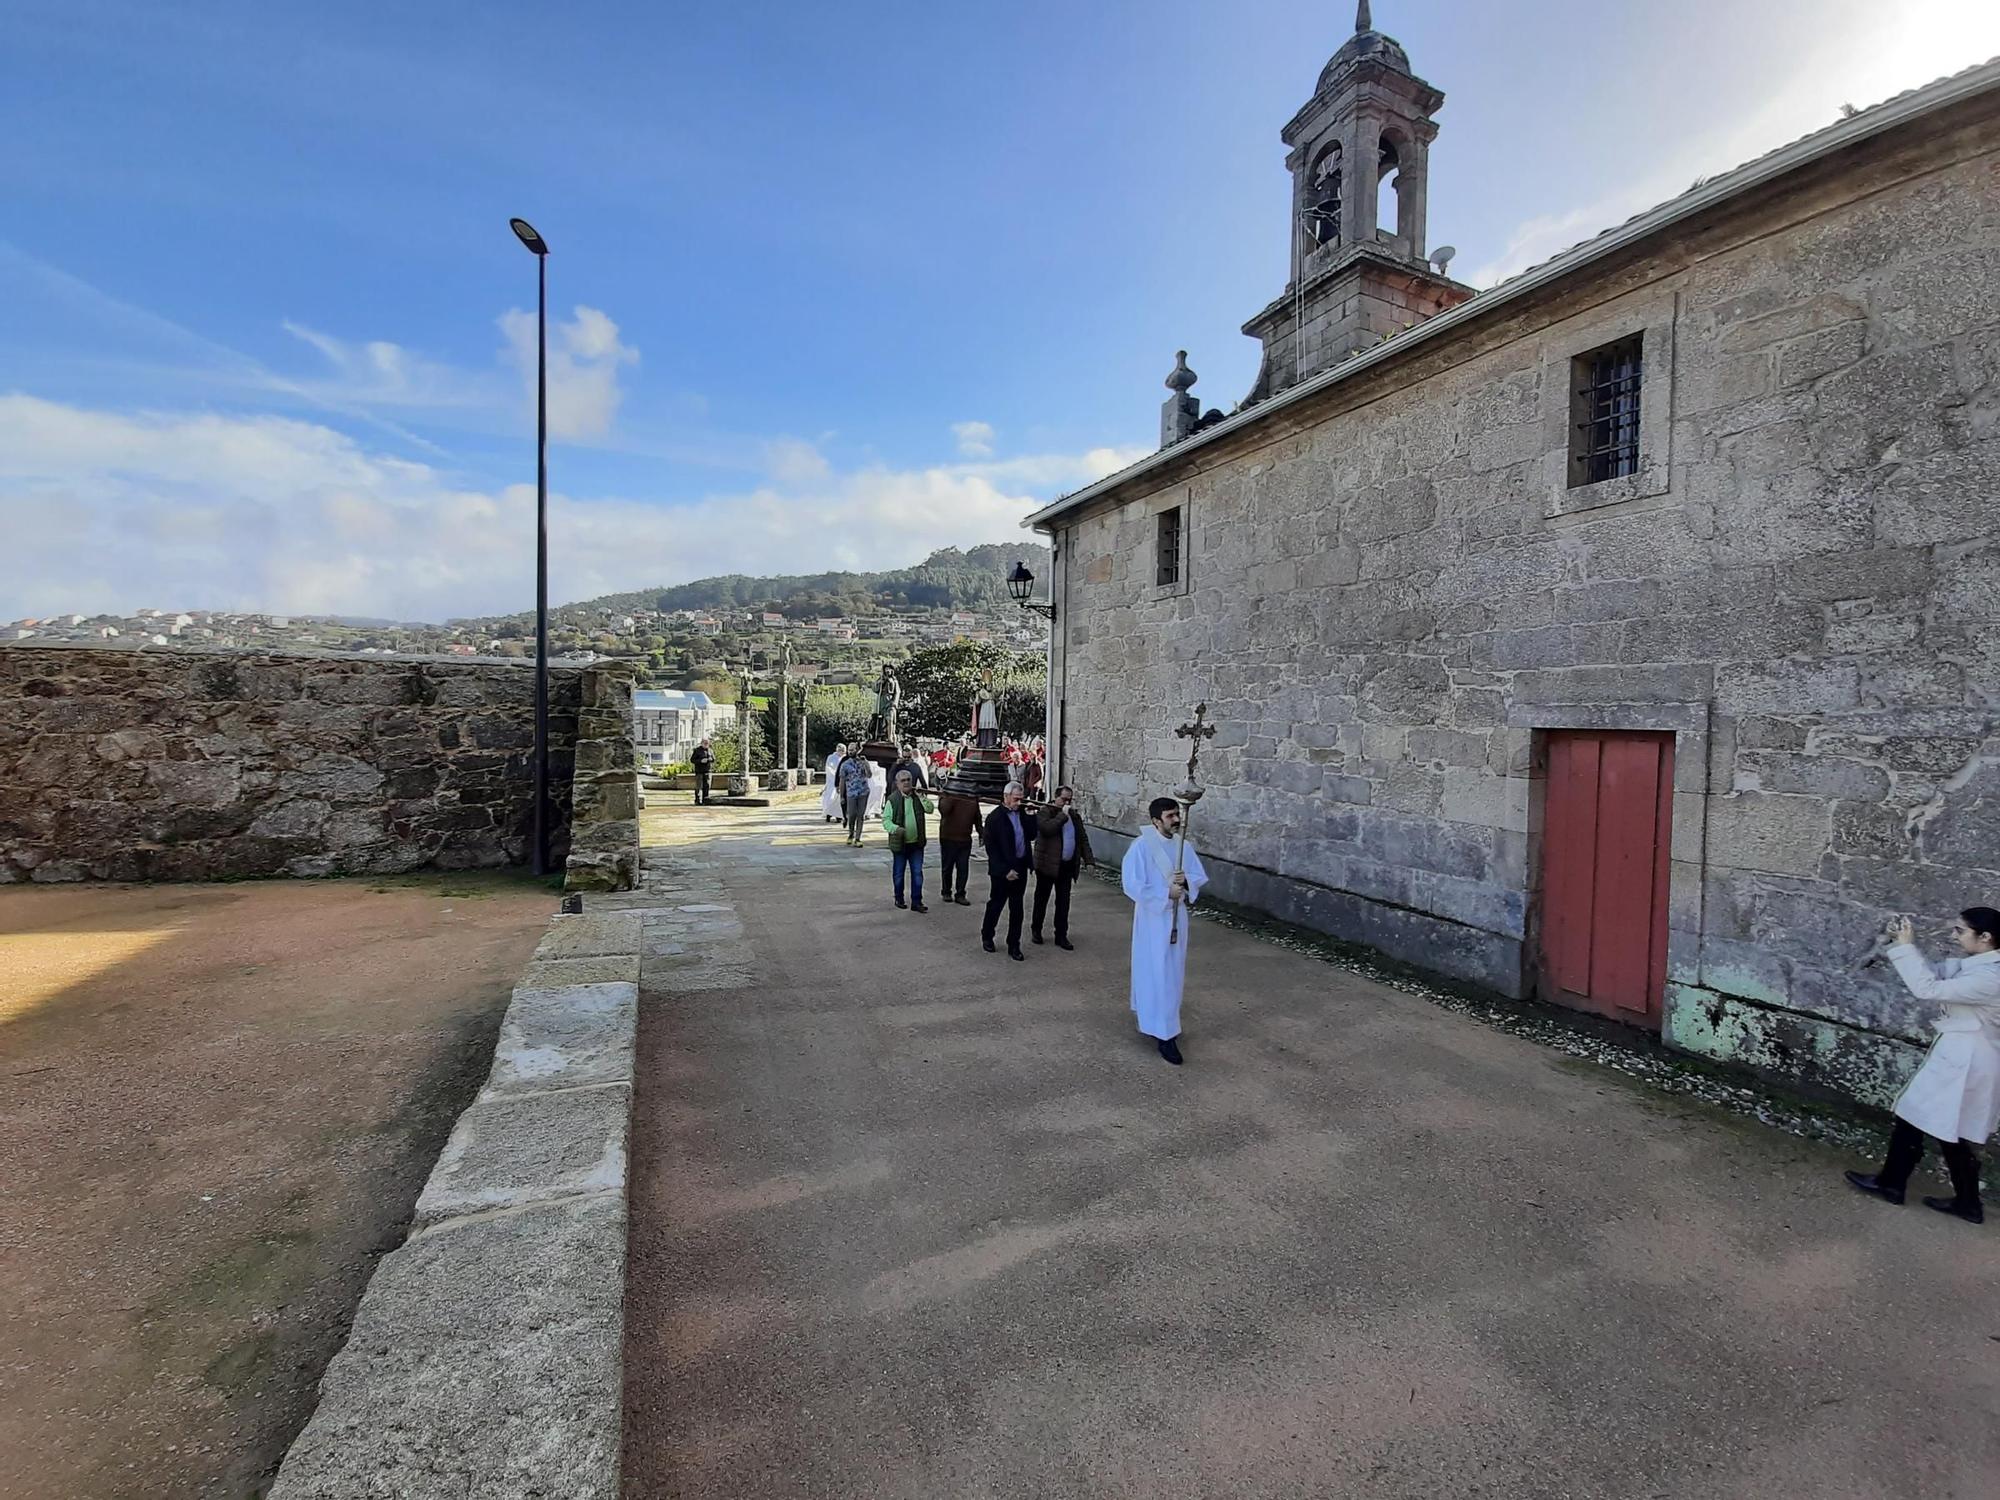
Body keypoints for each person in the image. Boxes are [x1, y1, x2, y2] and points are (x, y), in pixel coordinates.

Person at [1845, 906, 2000, 1224]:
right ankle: (1965, 1203)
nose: (1955, 935)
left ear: (1985, 937)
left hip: (1967, 1059)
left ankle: (1894, 1184)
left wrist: (1905, 947)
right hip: (1964, 1055)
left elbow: (1927, 988)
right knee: (1943, 1127)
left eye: (1961, 931)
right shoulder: (1981, 966)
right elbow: (1934, 972)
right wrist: (1900, 946)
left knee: (1919, 1117)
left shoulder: (1990, 977)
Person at [1121, 795, 1209, 1065]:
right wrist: (1164, 892)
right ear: (1156, 821)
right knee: (1155, 972)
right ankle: (1162, 1033)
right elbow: (1132, 884)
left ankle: (1166, 1024)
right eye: (1170, 816)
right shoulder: (1141, 847)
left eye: (1176, 814)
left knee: (1172, 973)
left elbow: (1198, 875)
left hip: (1176, 919)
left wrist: (1185, 884)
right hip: (1151, 920)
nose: (1176, 820)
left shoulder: (1184, 846)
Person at [981, 781, 1038, 960]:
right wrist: (1005, 870)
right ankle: (987, 936)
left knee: (1017, 909)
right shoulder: (994, 818)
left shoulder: (1022, 813)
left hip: (1020, 866)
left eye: (1021, 799)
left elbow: (1031, 835)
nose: (1018, 803)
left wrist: (1030, 816)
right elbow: (992, 849)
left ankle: (1014, 944)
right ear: (1005, 797)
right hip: (1002, 871)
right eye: (1016, 799)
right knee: (996, 905)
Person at [1031, 785, 1093, 950]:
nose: (1067, 803)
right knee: (1041, 900)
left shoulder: (1074, 816)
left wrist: (1089, 860)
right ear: (1056, 797)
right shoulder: (1046, 811)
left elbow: (1082, 838)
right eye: (1064, 799)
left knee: (1063, 902)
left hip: (1066, 866)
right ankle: (1036, 930)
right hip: (1047, 865)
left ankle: (1061, 935)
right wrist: (1062, 816)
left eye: (1069, 800)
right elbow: (1047, 829)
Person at [881, 769, 934, 913]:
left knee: (917, 873)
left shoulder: (917, 798)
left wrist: (922, 797)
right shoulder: (892, 800)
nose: (906, 783)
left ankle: (917, 901)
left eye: (908, 780)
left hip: (916, 844)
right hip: (900, 844)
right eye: (903, 780)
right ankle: (899, 898)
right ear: (897, 784)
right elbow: (886, 821)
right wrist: (896, 829)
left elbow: (930, 809)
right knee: (899, 873)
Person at [935, 787, 982, 906]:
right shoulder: (949, 794)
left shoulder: (972, 797)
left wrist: (982, 833)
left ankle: (960, 894)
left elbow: (977, 816)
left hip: (965, 838)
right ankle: (946, 891)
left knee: (963, 868)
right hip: (948, 837)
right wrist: (947, 796)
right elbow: (943, 810)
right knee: (947, 867)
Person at [837, 749, 873, 846]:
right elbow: (842, 781)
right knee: (852, 814)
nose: (851, 751)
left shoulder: (864, 762)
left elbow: (869, 775)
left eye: (853, 749)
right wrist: (841, 796)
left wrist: (865, 763)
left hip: (863, 792)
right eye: (850, 749)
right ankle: (851, 834)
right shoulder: (845, 764)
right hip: (851, 793)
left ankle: (858, 838)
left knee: (860, 815)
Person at [820, 743, 847, 822]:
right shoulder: (831, 757)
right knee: (831, 798)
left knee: (839, 800)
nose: (842, 753)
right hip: (832, 782)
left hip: (842, 781)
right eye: (841, 751)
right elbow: (829, 768)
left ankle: (839, 816)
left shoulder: (845, 758)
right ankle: (829, 814)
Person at [690, 738, 714, 806]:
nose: (706, 744)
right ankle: (697, 800)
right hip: (699, 771)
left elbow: (713, 759)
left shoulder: (710, 750)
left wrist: (710, 759)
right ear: (702, 743)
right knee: (699, 786)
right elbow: (692, 760)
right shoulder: (697, 750)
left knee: (707, 786)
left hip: (708, 771)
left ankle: (705, 800)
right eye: (705, 743)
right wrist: (700, 761)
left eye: (707, 743)